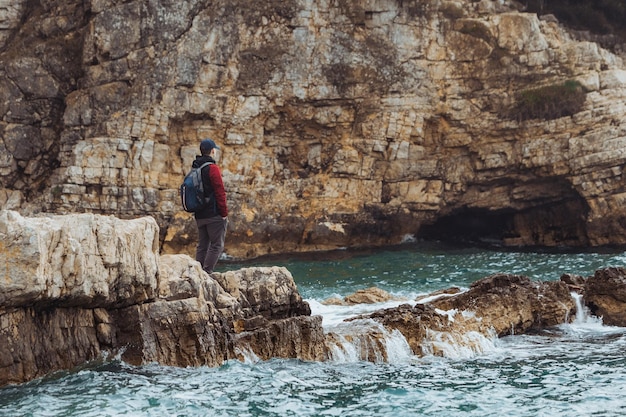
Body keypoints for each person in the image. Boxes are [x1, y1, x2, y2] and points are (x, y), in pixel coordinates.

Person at [193, 138, 228, 274]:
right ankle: (207, 273)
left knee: (202, 245)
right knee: (216, 245)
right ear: (212, 151)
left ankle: (198, 273)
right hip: (213, 214)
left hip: (199, 214)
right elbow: (220, 192)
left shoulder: (196, 167)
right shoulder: (212, 169)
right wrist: (224, 213)